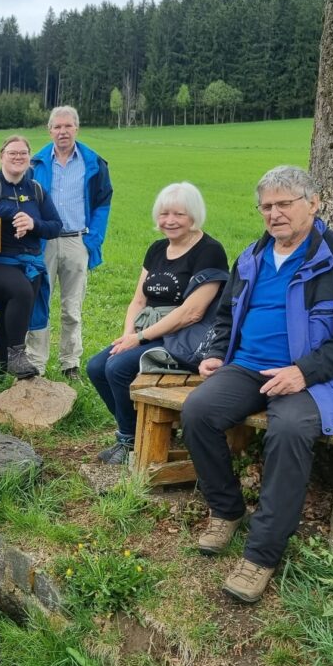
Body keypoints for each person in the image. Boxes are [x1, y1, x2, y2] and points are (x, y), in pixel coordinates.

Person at [181, 165, 333, 604]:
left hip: (316, 377)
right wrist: (216, 351)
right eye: (266, 206)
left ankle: (261, 554)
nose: (274, 214)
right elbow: (226, 314)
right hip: (248, 367)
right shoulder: (251, 257)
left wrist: (304, 372)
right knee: (198, 412)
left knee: (289, 429)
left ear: (313, 203)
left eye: (284, 204)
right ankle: (227, 510)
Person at [85, 183, 228, 465]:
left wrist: (139, 339)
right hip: (148, 331)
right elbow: (139, 300)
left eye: (179, 214)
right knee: (97, 367)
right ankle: (140, 429)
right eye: (164, 214)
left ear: (193, 215)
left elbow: (192, 313)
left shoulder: (209, 251)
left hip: (183, 339)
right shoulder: (158, 249)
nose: (170, 221)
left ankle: (128, 441)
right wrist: (128, 334)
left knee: (117, 368)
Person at [27, 106, 114, 381]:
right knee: (38, 302)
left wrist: (92, 240)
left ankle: (70, 363)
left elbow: (103, 203)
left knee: (72, 306)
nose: (62, 132)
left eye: (68, 126)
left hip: (77, 240)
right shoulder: (36, 163)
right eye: (57, 127)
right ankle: (35, 362)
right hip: (43, 242)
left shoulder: (93, 163)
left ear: (77, 128)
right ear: (49, 130)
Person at [0, 135, 62, 378]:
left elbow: (55, 226)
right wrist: (14, 214)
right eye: (12, 153)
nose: (18, 157)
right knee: (21, 292)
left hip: (29, 262)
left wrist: (32, 223)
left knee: (10, 318)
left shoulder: (36, 190)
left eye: (23, 153)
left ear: (29, 158)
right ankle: (18, 356)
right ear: (1, 156)